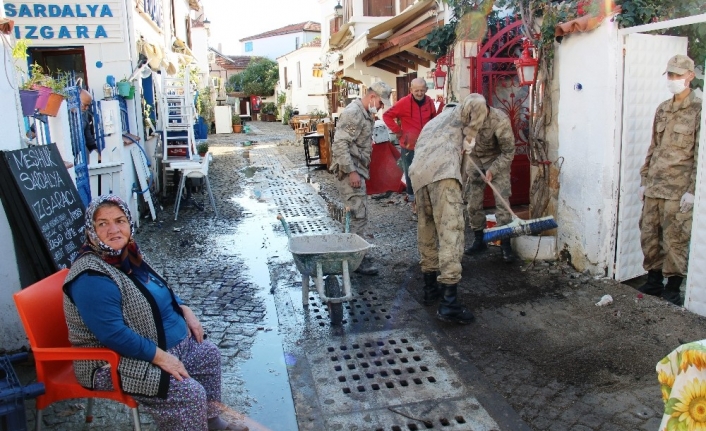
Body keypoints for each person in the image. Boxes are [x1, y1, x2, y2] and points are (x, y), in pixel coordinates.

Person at [63, 195, 248, 431]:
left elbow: (159, 289)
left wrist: (184, 309)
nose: (113, 229)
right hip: (113, 361)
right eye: (103, 224)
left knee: (207, 354)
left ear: (129, 224)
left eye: (120, 220)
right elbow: (113, 335)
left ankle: (211, 422)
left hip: (158, 347)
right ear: (91, 231)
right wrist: (162, 357)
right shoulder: (91, 276)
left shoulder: (128, 255)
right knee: (187, 393)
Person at [408, 94, 481, 324]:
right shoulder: (460, 111)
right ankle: (449, 304)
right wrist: (470, 136)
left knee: (427, 231)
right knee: (451, 234)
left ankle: (430, 289)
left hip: (418, 177)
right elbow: (477, 101)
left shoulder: (432, 123)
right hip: (442, 176)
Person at [638, 54, 701, 306]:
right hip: (655, 186)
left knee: (675, 239)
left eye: (678, 75)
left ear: (690, 76)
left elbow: (700, 154)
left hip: (677, 191)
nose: (673, 79)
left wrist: (693, 190)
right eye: (670, 75)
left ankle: (672, 288)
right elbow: (653, 147)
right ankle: (653, 281)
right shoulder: (663, 108)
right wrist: (644, 178)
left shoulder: (699, 110)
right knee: (649, 234)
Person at [330, 81, 393, 276]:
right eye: (381, 102)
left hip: (357, 168)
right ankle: (355, 261)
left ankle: (355, 254)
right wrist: (352, 172)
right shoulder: (354, 113)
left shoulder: (365, 113)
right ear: (372, 97)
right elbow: (339, 144)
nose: (381, 107)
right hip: (350, 172)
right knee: (357, 215)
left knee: (358, 213)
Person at [461, 94, 516, 263]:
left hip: (496, 158)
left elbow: (508, 152)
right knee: (473, 202)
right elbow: (457, 133)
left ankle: (505, 244)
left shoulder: (500, 121)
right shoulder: (465, 115)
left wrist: (493, 169)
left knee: (502, 203)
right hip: (474, 159)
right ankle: (479, 240)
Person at [382, 78, 444, 217]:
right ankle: (414, 204)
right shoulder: (403, 102)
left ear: (426, 90)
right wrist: (397, 131)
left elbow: (434, 119)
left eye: (422, 90)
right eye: (417, 90)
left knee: (427, 173)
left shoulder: (429, 102)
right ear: (411, 90)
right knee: (411, 175)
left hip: (427, 145)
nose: (420, 93)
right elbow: (387, 116)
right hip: (409, 145)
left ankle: (427, 202)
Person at [80, 89, 98, 154]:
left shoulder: (84, 116)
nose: (87, 108)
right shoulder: (65, 116)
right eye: (84, 105)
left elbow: (88, 138)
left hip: (79, 155)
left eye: (88, 106)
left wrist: (97, 155)